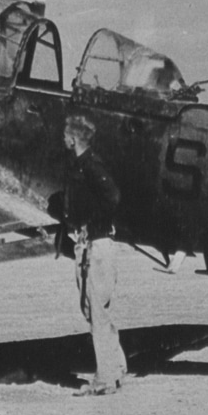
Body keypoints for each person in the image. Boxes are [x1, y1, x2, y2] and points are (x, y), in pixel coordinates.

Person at [60, 113, 128, 395]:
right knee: (94, 308)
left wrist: (91, 224)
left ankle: (105, 378)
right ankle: (117, 367)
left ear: (73, 138)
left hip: (96, 246)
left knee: (96, 312)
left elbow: (112, 196)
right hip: (94, 244)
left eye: (65, 134)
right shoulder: (82, 164)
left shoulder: (89, 165)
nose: (63, 138)